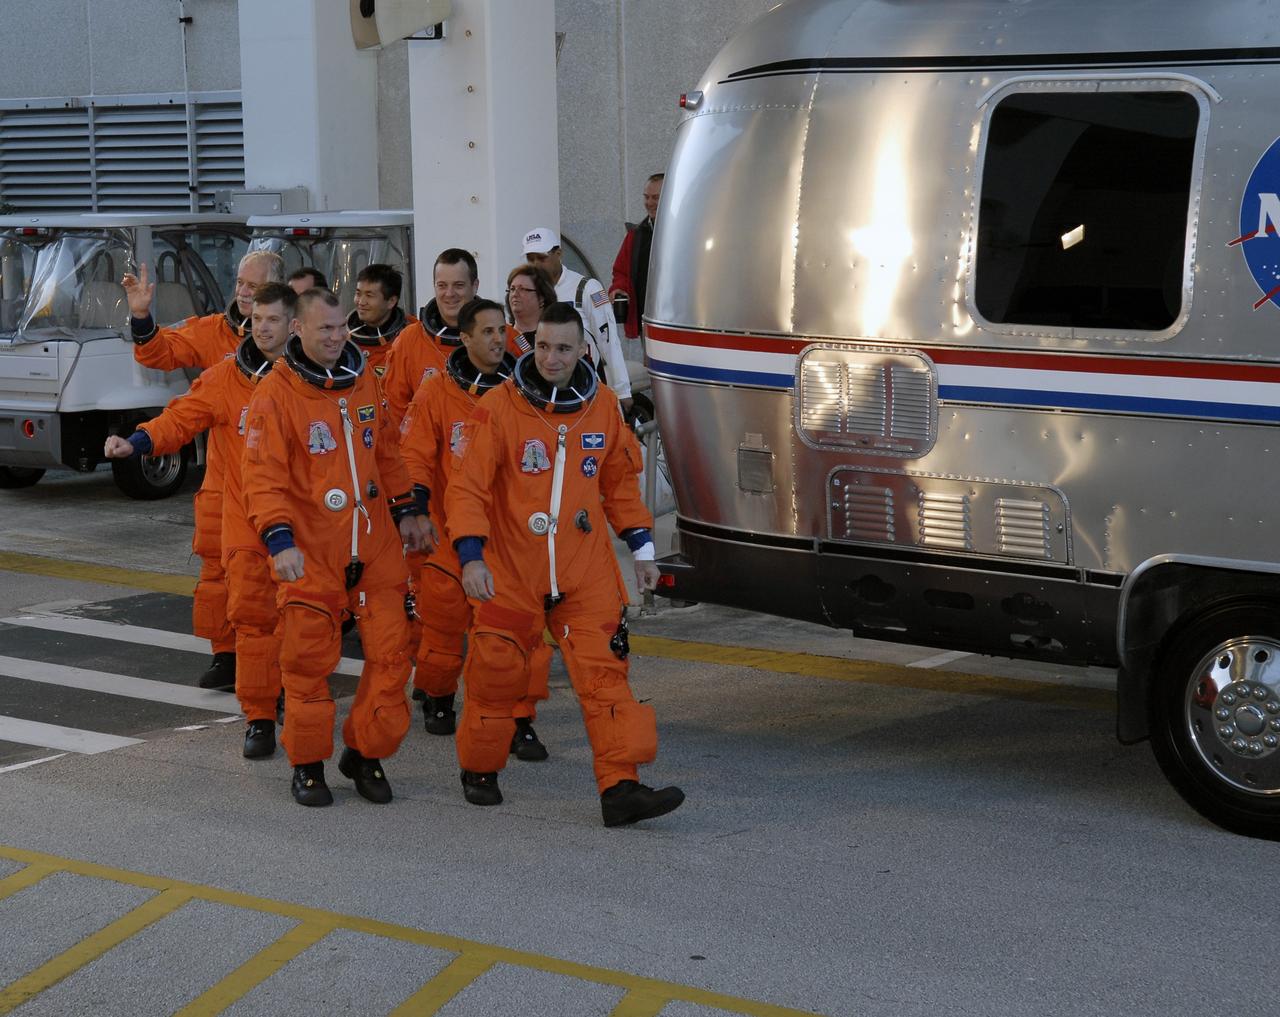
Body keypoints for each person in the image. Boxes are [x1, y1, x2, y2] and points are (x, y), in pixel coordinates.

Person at [446, 302, 684, 826]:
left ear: (583, 351)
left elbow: (620, 482)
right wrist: (471, 557)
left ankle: (620, 788)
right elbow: (467, 489)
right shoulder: (499, 407)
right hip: (510, 571)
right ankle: (480, 769)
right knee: (496, 675)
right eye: (543, 346)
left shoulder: (600, 406)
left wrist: (643, 550)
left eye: (563, 348)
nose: (551, 358)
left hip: (584, 569)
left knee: (606, 677)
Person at [241, 288, 433, 807]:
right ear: (296, 331)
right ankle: (307, 766)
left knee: (394, 656)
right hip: (310, 552)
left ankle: (364, 754)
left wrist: (407, 511)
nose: (335, 336)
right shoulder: (275, 395)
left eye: (339, 326)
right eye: (323, 328)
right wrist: (279, 540)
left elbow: (388, 452)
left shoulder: (363, 379)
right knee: (306, 665)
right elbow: (262, 479)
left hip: (373, 548)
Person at [104, 283, 297, 752]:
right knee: (252, 618)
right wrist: (138, 442)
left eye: (273, 319)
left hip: (305, 520)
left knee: (303, 617)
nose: (262, 326)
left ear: (294, 325)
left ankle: (295, 695)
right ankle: (260, 717)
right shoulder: (226, 376)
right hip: (246, 518)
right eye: (256, 318)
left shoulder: (319, 380)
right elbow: (181, 418)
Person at [120, 249, 285, 690]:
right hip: (224, 483)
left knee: (278, 582)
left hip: (281, 490)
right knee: (216, 576)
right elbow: (159, 352)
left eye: (255, 287)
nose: (245, 293)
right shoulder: (215, 334)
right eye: (240, 284)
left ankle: (277, 664)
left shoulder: (299, 347)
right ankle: (226, 656)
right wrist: (141, 317)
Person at [400, 297, 550, 758]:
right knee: (443, 627)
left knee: (519, 634)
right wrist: (418, 510)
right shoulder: (436, 393)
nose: (495, 339)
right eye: (484, 332)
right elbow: (416, 456)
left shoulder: (529, 391)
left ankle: (519, 716)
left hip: (510, 540)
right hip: (449, 532)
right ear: (463, 339)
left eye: (499, 330)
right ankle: (439, 695)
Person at [521, 226, 632, 412]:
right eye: (530, 259)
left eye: (541, 258)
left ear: (558, 253)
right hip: (540, 391)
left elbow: (609, 340)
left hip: (585, 386)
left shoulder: (588, 288)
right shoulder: (526, 291)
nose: (535, 265)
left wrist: (622, 391)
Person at [380, 248, 479, 429]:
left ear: (475, 286)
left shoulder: (502, 338)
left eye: (458, 285)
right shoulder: (409, 340)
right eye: (442, 285)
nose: (449, 294)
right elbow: (394, 414)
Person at [610, 173, 663, 339]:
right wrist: (619, 289)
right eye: (646, 197)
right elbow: (621, 273)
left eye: (655, 197)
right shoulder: (635, 235)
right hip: (645, 323)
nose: (649, 203)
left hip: (679, 325)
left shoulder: (688, 232)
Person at [347, 263, 416, 378]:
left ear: (391, 301)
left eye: (369, 295)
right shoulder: (340, 336)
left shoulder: (415, 336)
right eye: (358, 293)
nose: (361, 302)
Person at [504, 264, 557, 356]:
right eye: (512, 289)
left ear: (541, 297)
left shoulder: (554, 337)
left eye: (522, 289)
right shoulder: (502, 334)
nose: (514, 294)